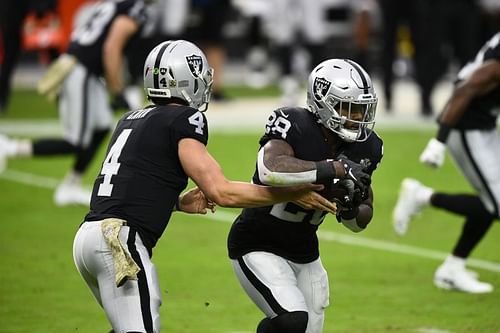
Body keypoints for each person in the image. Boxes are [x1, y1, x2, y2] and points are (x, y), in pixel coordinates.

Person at [72, 39, 337, 333]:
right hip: (119, 241)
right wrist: (290, 192)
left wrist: (176, 203)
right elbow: (221, 192)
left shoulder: (129, 119)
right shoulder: (185, 118)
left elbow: (125, 186)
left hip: (88, 239)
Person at [227, 58, 383, 333]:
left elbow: (362, 218)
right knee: (291, 320)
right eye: (350, 109)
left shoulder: (366, 147)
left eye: (362, 109)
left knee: (304, 328)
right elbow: (269, 169)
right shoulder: (295, 123)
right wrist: (333, 169)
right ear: (323, 103)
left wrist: (348, 208)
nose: (357, 117)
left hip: (305, 252)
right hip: (257, 243)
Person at [0, 0, 147, 205]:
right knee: (76, 141)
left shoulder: (118, 3)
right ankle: (9, 147)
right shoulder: (134, 8)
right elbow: (111, 47)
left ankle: (71, 185)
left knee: (102, 128)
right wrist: (117, 91)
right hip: (81, 70)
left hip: (83, 68)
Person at [392, 31, 500, 294]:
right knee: (496, 203)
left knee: (492, 201)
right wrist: (439, 141)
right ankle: (422, 197)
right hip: (465, 127)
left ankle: (452, 268)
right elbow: (466, 88)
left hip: (484, 125)